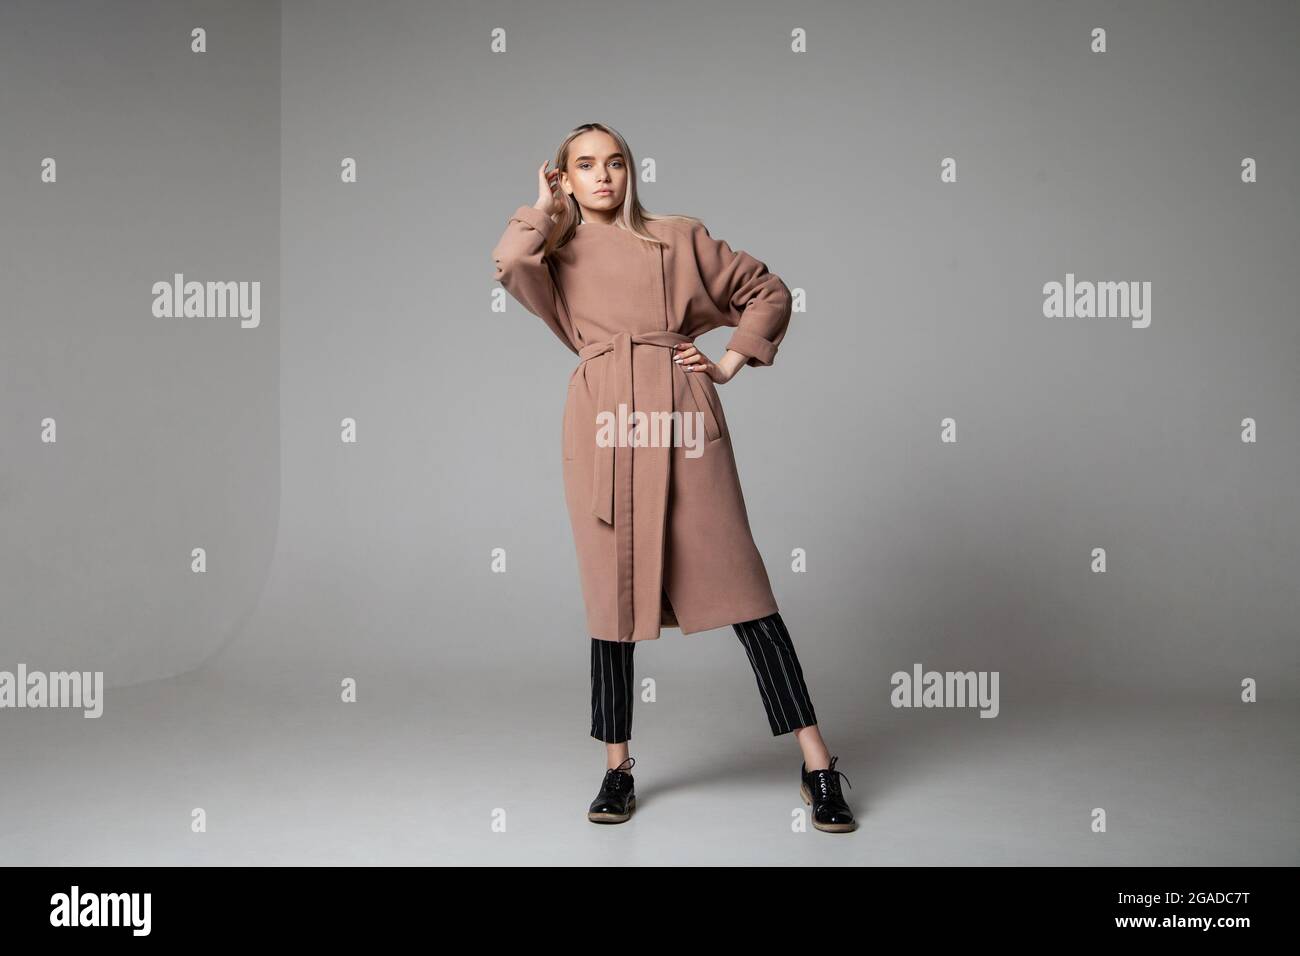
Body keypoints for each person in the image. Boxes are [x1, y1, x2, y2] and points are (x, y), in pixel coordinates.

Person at [491, 122, 856, 832]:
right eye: (585, 166)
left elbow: (768, 292)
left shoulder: (679, 237)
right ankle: (616, 769)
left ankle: (818, 763)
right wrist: (541, 207)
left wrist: (729, 361)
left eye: (616, 162)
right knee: (612, 599)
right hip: (603, 426)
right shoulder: (553, 255)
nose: (604, 176)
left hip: (682, 422)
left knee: (743, 591)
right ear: (565, 177)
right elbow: (508, 264)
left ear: (632, 171)